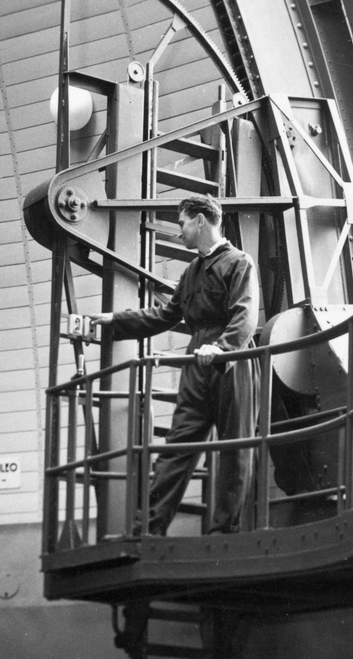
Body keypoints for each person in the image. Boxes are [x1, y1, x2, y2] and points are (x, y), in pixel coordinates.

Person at [103, 193, 260, 534]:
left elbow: (246, 314)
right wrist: (116, 321)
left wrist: (222, 348)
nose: (180, 231)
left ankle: (224, 530)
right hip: (196, 361)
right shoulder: (191, 272)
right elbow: (166, 315)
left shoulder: (239, 262)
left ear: (200, 220)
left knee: (236, 446)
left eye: (183, 223)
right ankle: (148, 528)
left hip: (232, 361)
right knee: (178, 444)